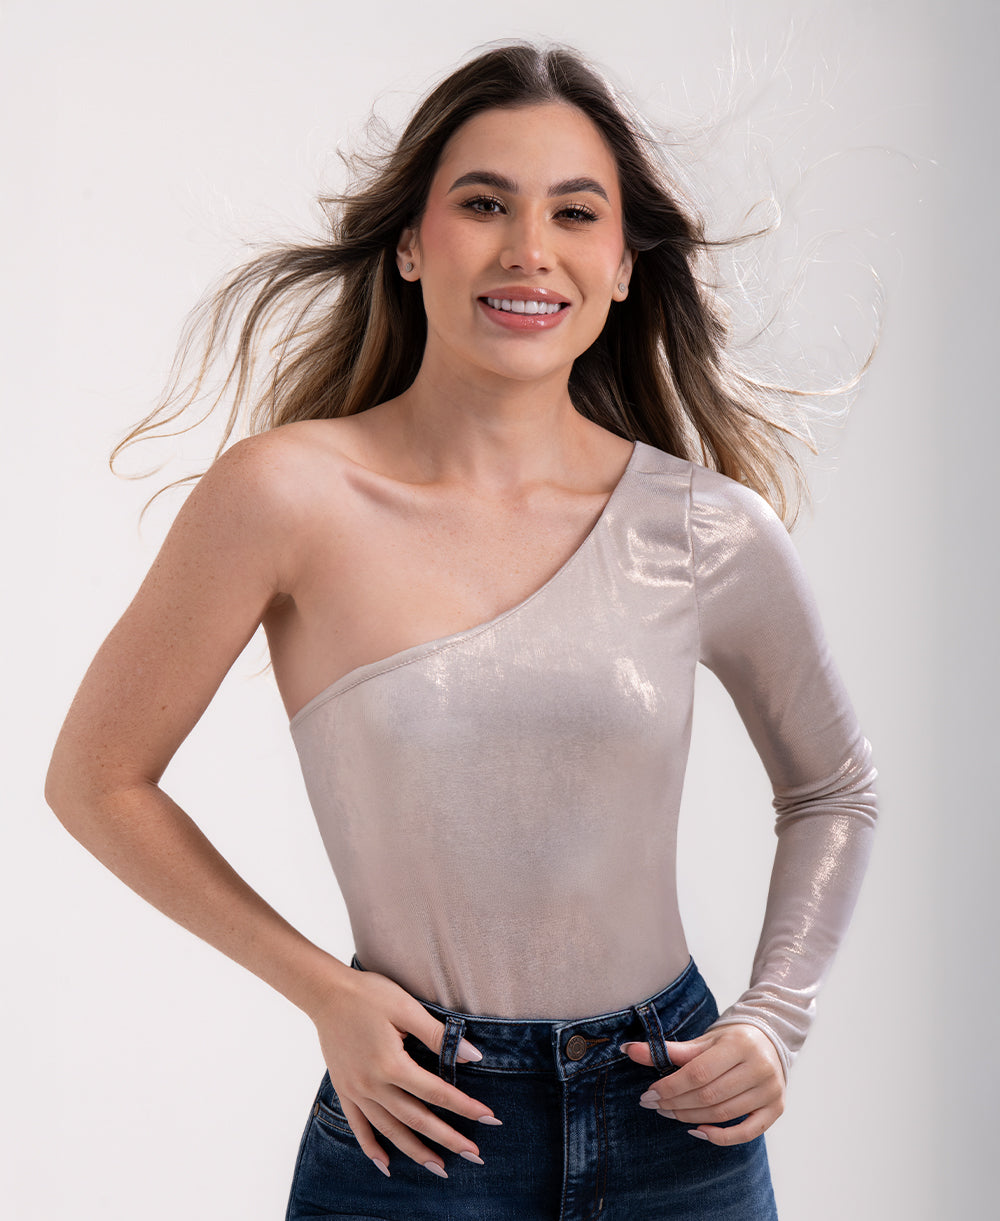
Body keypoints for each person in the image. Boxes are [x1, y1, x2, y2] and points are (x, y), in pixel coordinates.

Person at [45, 42, 878, 1221]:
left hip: (675, 1122)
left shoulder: (705, 527)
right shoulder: (285, 496)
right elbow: (96, 778)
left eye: (574, 214)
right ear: (408, 242)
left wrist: (773, 1020)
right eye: (484, 203)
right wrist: (324, 993)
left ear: (622, 266)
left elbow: (834, 788)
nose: (528, 249)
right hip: (419, 1117)